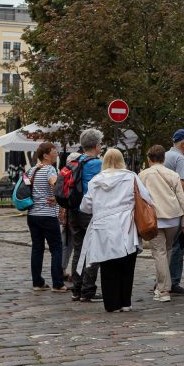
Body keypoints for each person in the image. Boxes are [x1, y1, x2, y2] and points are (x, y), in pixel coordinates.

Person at [77, 148, 154, 313]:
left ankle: (111, 303)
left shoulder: (96, 180)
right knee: (127, 266)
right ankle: (125, 302)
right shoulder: (130, 177)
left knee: (107, 267)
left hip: (103, 227)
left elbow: (86, 206)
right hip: (126, 225)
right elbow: (146, 197)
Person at [139, 145, 184, 303]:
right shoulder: (173, 174)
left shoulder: (143, 175)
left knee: (159, 252)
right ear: (163, 158)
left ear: (149, 159)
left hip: (154, 218)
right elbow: (181, 198)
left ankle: (163, 290)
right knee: (167, 250)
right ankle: (163, 286)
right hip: (173, 217)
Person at [26, 142, 67, 292]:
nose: (56, 153)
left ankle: (37, 282)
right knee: (56, 248)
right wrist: (58, 197)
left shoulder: (32, 170)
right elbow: (54, 183)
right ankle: (57, 283)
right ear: (45, 155)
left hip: (32, 214)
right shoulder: (50, 169)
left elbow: (27, 186)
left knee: (37, 248)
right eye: (54, 151)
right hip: (48, 215)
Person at [70, 128, 103, 303]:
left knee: (78, 249)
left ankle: (76, 288)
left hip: (74, 210)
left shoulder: (76, 161)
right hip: (90, 211)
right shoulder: (97, 164)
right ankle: (88, 290)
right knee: (93, 250)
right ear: (97, 146)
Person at [164, 129, 184, 296]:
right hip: (177, 206)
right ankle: (173, 281)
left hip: (166, 205)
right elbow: (182, 184)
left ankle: (163, 279)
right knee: (178, 245)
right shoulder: (180, 159)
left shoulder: (166, 155)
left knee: (168, 246)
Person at [59, 152, 82, 284]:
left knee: (66, 242)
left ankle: (61, 270)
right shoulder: (76, 172)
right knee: (76, 243)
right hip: (74, 212)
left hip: (65, 211)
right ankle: (75, 274)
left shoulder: (63, 172)